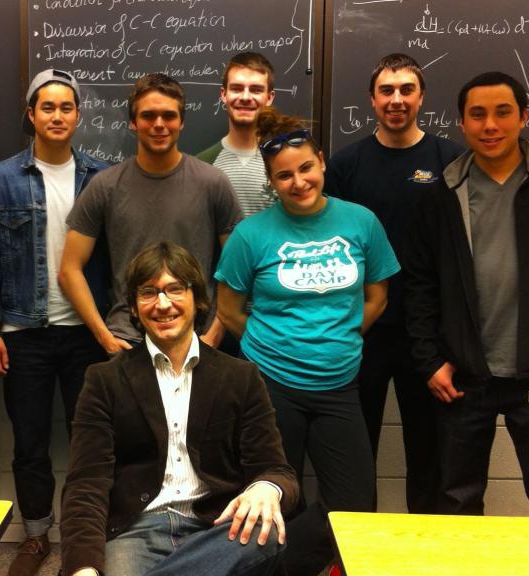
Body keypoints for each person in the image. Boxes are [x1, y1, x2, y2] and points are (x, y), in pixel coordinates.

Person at [403, 71, 529, 517]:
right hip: (462, 379)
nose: (490, 125)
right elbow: (419, 287)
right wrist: (429, 360)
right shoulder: (441, 195)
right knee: (456, 504)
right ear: (462, 123)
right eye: (477, 115)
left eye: (503, 113)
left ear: (524, 118)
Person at [215, 108, 399, 574]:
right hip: (271, 386)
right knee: (270, 502)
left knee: (354, 506)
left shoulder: (361, 222)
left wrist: (345, 335)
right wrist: (265, 346)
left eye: (305, 168)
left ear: (321, 162)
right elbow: (229, 308)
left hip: (340, 386)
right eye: (284, 176)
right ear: (271, 181)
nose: (298, 182)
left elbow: (377, 294)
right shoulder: (250, 235)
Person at [60, 241, 298, 576]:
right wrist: (82, 567)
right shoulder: (104, 380)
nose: (162, 304)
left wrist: (266, 488)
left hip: (216, 529)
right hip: (135, 531)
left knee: (268, 532)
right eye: (148, 293)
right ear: (133, 307)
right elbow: (87, 482)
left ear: (198, 299)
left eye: (175, 290)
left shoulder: (240, 377)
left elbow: (278, 470)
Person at [0, 69, 110, 576]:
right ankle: (34, 537)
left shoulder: (101, 176)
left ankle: (84, 538)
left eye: (66, 107)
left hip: (86, 334)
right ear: (31, 114)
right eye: (46, 107)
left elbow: (114, 259)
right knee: (29, 442)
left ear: (78, 115)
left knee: (90, 440)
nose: (57, 115)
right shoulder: (3, 179)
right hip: (24, 333)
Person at [325, 53, 464, 513]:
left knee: (428, 452)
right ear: (372, 99)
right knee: (355, 450)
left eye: (407, 89)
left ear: (421, 97)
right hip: (361, 331)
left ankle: (420, 552)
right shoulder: (346, 165)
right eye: (387, 90)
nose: (397, 99)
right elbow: (331, 246)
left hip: (428, 336)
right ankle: (353, 553)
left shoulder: (451, 160)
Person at [59, 73, 243, 354]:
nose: (159, 124)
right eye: (148, 116)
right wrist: (103, 336)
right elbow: (69, 269)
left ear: (181, 122)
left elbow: (238, 269)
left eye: (168, 116)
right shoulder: (105, 186)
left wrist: (214, 335)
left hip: (195, 339)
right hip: (128, 341)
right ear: (133, 122)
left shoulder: (212, 183)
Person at [197, 52, 278, 216]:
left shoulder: (284, 161)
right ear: (223, 94)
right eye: (237, 88)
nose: (245, 97)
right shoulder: (202, 165)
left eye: (256, 90)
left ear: (269, 97)